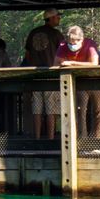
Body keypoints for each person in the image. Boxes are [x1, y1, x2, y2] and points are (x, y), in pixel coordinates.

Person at [24, 10, 66, 138]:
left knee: (36, 110)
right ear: (51, 18)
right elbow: (64, 53)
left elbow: (27, 54)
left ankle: (37, 138)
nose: (59, 18)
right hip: (51, 76)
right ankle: (51, 139)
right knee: (51, 110)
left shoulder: (33, 33)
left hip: (35, 75)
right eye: (57, 16)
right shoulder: (57, 34)